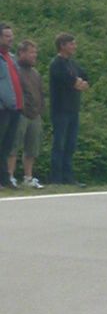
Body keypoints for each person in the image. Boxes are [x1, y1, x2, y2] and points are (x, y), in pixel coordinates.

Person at [48, 32, 89, 187]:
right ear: (62, 45)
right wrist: (77, 82)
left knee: (70, 144)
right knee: (59, 143)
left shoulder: (73, 64)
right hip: (60, 109)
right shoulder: (56, 64)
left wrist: (80, 82)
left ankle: (68, 177)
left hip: (73, 109)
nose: (74, 46)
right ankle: (56, 178)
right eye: (71, 43)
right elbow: (69, 81)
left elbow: (84, 77)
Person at [11, 40, 44, 189]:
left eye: (35, 52)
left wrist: (40, 109)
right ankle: (9, 176)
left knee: (32, 148)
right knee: (13, 145)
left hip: (35, 114)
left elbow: (40, 92)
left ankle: (28, 177)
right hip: (20, 113)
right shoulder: (15, 70)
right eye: (31, 52)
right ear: (21, 53)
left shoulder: (35, 73)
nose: (34, 55)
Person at [0, 22, 23, 189]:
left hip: (15, 108)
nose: (11, 39)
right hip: (3, 108)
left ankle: (5, 178)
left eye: (11, 36)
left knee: (7, 145)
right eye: (7, 36)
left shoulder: (11, 58)